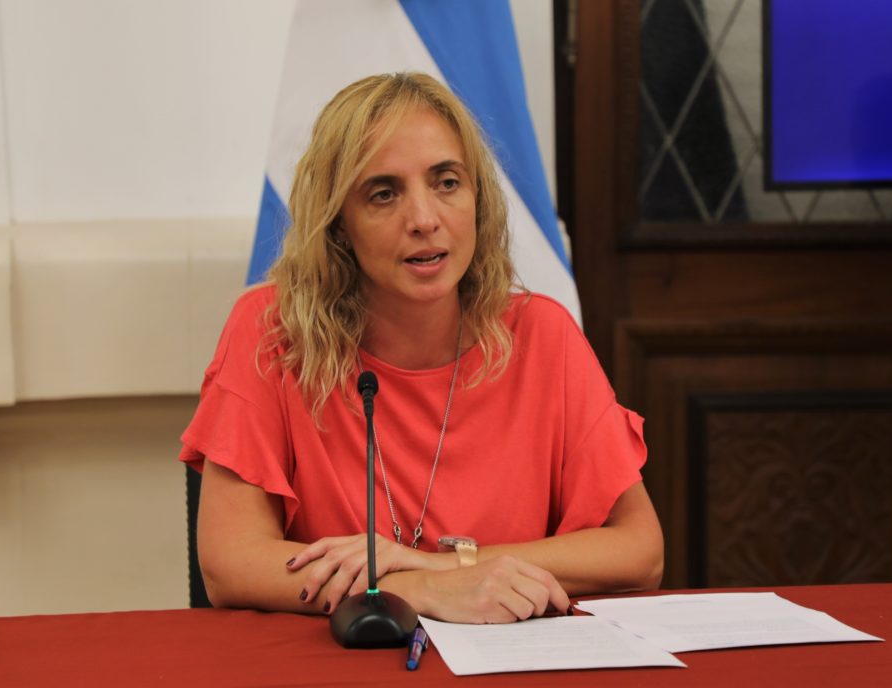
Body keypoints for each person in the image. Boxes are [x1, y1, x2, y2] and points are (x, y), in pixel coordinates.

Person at [180, 72, 663, 624]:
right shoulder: (272, 331)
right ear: (339, 225)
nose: (425, 220)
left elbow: (639, 551)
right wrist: (416, 590)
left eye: (447, 182)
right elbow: (231, 563)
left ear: (478, 199)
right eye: (383, 194)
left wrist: (439, 566)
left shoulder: (542, 336)